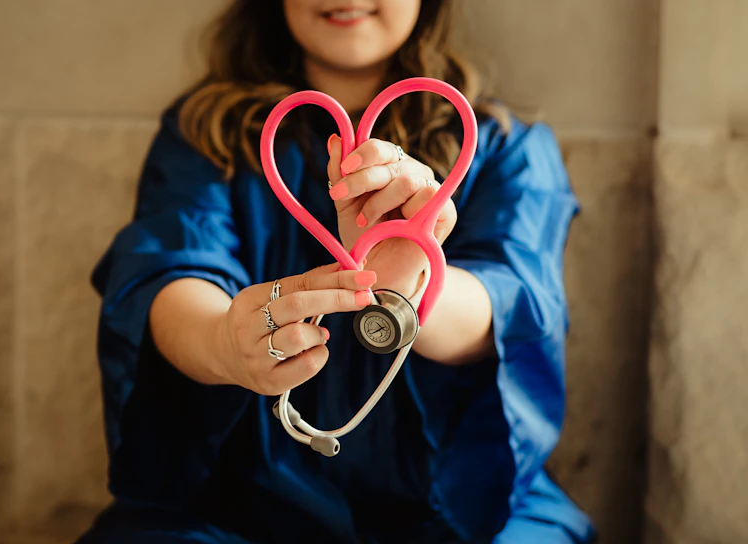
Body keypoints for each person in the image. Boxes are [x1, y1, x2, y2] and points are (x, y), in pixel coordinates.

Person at [77, 0, 596, 542]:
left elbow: (513, 303)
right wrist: (225, 344)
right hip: (237, 506)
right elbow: (167, 271)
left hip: (464, 506)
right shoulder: (203, 135)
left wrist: (404, 288)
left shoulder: (504, 147)